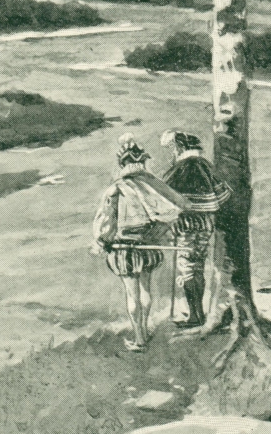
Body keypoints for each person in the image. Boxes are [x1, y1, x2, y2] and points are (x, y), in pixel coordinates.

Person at [93, 133, 187, 351]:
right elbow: (173, 211)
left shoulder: (116, 188)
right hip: (145, 246)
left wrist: (102, 242)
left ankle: (140, 338)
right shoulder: (153, 185)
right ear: (142, 161)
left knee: (132, 292)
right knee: (145, 288)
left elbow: (105, 221)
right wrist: (156, 234)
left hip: (124, 249)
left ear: (122, 163)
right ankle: (143, 330)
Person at [160, 129, 231, 329]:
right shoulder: (206, 166)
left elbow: (163, 198)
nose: (173, 153)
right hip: (206, 225)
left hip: (186, 227)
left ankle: (195, 315)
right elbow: (223, 194)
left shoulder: (179, 169)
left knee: (188, 268)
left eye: (174, 148)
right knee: (196, 266)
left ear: (181, 147)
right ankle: (197, 312)